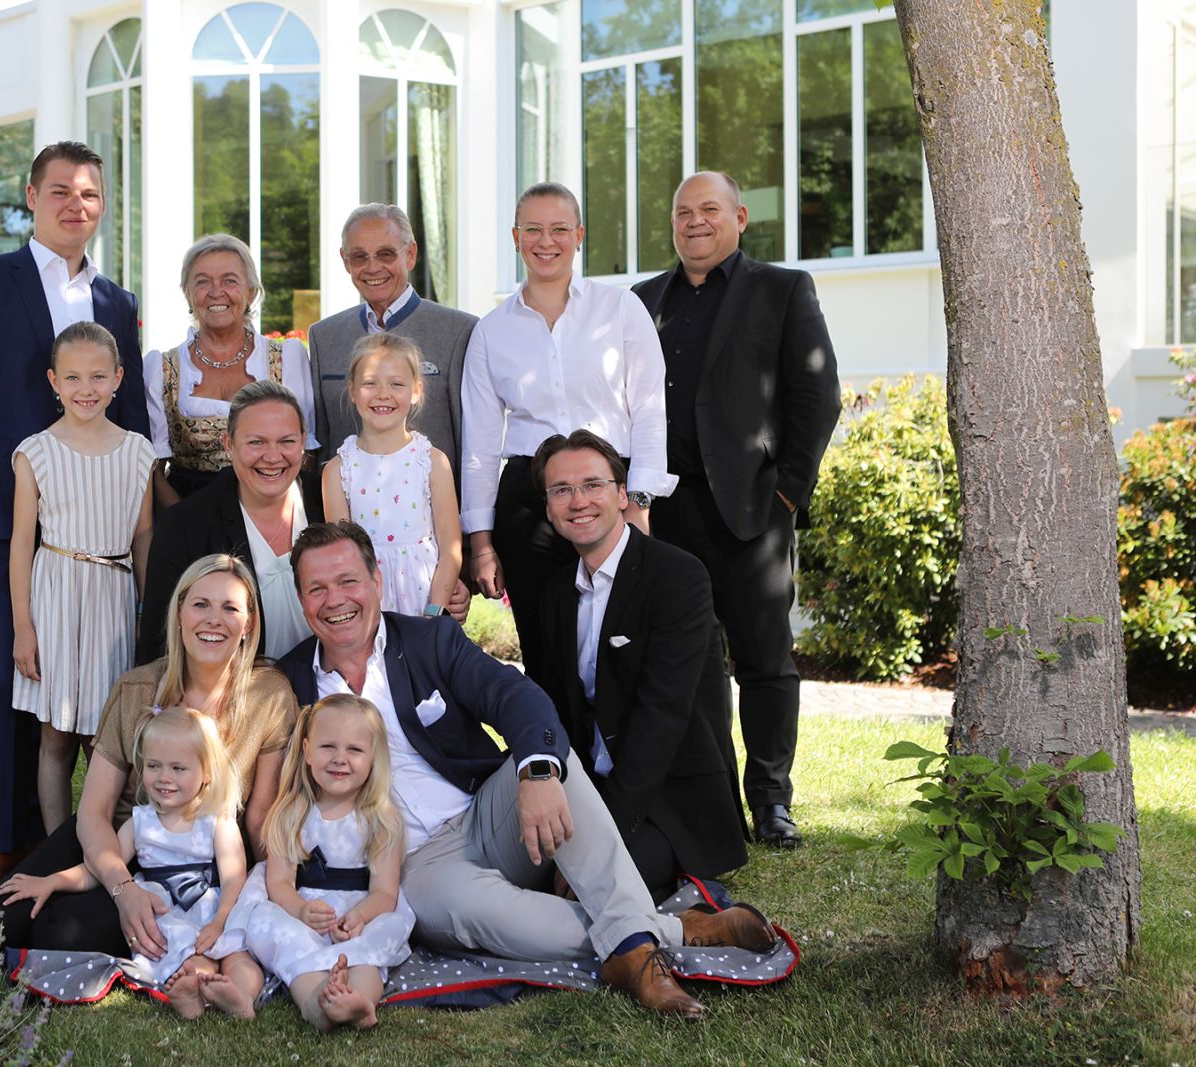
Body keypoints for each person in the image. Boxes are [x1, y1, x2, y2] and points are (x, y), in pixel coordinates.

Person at [277, 520, 779, 1018]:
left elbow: (514, 696)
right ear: (301, 601)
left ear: (375, 581)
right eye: (316, 588)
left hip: (487, 815)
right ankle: (663, 937)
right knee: (464, 910)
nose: (335, 600)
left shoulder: (430, 641)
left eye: (347, 581)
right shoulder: (291, 682)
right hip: (411, 865)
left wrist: (537, 774)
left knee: (550, 757)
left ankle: (634, 939)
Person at [0, 555, 296, 1018]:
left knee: (62, 937)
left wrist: (276, 893)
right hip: (110, 841)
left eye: (230, 608)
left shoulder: (269, 696)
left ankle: (4, 903)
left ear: (249, 622)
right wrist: (122, 888)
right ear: (178, 613)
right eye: (200, 605)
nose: (214, 620)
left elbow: (260, 817)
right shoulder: (137, 689)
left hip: (188, 868)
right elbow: (94, 811)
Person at [0, 140, 150, 894]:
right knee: (6, 679)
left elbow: (135, 414)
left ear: (101, 205)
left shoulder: (117, 301)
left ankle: (93, 834)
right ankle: (4, 840)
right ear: (31, 196)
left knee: (87, 686)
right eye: (59, 191)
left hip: (96, 531)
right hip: (3, 520)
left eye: (88, 194)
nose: (73, 205)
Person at [631, 172, 841, 849]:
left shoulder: (782, 290)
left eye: (709, 209)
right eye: (682, 210)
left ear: (740, 217)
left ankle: (772, 801)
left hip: (751, 510)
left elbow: (818, 393)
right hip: (665, 513)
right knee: (690, 665)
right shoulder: (642, 301)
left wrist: (788, 493)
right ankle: (715, 797)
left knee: (765, 660)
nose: (695, 221)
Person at [461, 182, 671, 690]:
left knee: (625, 645)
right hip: (529, 503)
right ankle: (556, 765)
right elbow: (481, 446)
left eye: (559, 228)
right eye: (532, 229)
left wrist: (638, 505)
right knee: (546, 649)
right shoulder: (491, 331)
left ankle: (622, 766)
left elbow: (649, 409)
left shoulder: (620, 309)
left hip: (611, 495)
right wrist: (483, 544)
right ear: (515, 238)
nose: (545, 240)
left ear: (579, 235)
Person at [534, 430, 747, 894]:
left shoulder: (677, 576)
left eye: (593, 485)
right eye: (561, 490)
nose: (578, 501)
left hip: (668, 795)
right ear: (549, 507)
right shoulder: (553, 593)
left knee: (596, 885)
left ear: (622, 493)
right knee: (522, 874)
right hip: (587, 790)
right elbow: (548, 705)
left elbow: (662, 716)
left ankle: (695, 924)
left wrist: (601, 834)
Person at [0, 707, 254, 1019]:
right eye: (154, 766)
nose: (164, 778)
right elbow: (100, 868)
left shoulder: (217, 821)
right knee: (180, 951)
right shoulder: (140, 822)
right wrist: (51, 881)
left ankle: (240, 997)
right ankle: (194, 989)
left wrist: (219, 921)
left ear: (207, 773)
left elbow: (234, 878)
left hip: (212, 909)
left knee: (237, 957)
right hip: (165, 914)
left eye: (178, 768)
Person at [10, 321, 156, 833]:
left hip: (113, 598)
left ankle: (102, 843)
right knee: (55, 734)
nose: (86, 389)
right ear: (54, 381)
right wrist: (24, 629)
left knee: (106, 734)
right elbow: (21, 545)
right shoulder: (36, 452)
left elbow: (142, 536)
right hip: (57, 597)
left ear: (118, 378)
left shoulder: (139, 450)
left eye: (97, 377)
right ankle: (56, 844)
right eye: (73, 378)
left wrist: (146, 610)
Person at [247, 693, 413, 1032]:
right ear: (307, 751)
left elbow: (384, 893)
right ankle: (316, 1002)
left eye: (354, 750)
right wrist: (300, 911)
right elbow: (278, 882)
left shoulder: (381, 820)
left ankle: (359, 1000)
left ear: (373, 758)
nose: (340, 759)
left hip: (359, 911)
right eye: (328, 747)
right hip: (304, 909)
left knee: (369, 947)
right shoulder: (291, 813)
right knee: (283, 936)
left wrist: (360, 917)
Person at [138, 380, 323, 663]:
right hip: (234, 699)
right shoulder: (184, 526)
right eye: (256, 442)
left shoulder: (328, 504)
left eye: (287, 441)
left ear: (303, 440)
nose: (273, 457)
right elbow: (160, 644)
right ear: (229, 444)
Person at [145, 234, 318, 506]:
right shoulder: (161, 368)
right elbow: (155, 471)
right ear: (187, 293)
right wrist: (186, 525)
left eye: (229, 280)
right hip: (186, 514)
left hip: (275, 510)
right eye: (202, 282)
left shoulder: (288, 358)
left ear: (250, 291)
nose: (216, 291)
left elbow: (306, 456)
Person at [307, 203, 474, 481]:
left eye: (385, 254)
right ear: (345, 261)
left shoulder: (460, 332)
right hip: (345, 516)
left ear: (410, 255)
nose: (373, 267)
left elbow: (473, 445)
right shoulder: (324, 337)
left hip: (433, 516)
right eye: (360, 257)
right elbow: (322, 445)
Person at [321, 334, 462, 617]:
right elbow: (342, 557)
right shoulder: (337, 471)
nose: (383, 394)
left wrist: (435, 611)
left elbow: (451, 549)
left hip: (426, 608)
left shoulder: (432, 462)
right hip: (366, 610)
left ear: (416, 391)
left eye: (396, 384)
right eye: (370, 383)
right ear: (352, 391)